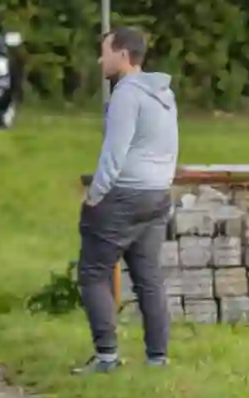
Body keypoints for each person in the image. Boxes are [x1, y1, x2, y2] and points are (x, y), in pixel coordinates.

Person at [76, 26, 179, 373]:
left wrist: (95, 194)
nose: (99, 59)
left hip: (123, 194)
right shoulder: (164, 95)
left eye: (105, 51)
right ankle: (157, 359)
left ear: (122, 54)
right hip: (157, 194)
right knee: (148, 276)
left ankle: (106, 357)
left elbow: (114, 153)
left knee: (93, 273)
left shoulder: (126, 94)